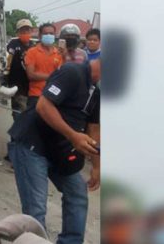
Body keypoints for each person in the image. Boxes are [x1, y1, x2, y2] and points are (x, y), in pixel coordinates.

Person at [8, 59, 101, 244]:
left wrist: (97, 166)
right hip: (32, 145)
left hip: (60, 151)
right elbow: (44, 106)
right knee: (36, 209)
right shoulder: (72, 72)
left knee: (77, 194)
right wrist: (74, 136)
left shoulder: (96, 92)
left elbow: (94, 128)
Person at [23, 23, 63, 110]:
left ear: (55, 35)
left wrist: (43, 76)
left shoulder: (59, 54)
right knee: (33, 122)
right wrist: (53, 76)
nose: (49, 35)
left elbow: (61, 76)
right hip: (36, 96)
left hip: (54, 96)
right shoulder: (32, 52)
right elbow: (31, 75)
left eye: (51, 33)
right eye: (46, 33)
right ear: (40, 36)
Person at [6, 19, 35, 117]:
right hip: (17, 85)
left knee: (29, 113)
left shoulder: (33, 46)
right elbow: (8, 58)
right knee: (19, 112)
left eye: (28, 30)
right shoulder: (14, 44)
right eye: (22, 31)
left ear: (32, 31)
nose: (25, 33)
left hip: (31, 86)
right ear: (18, 33)